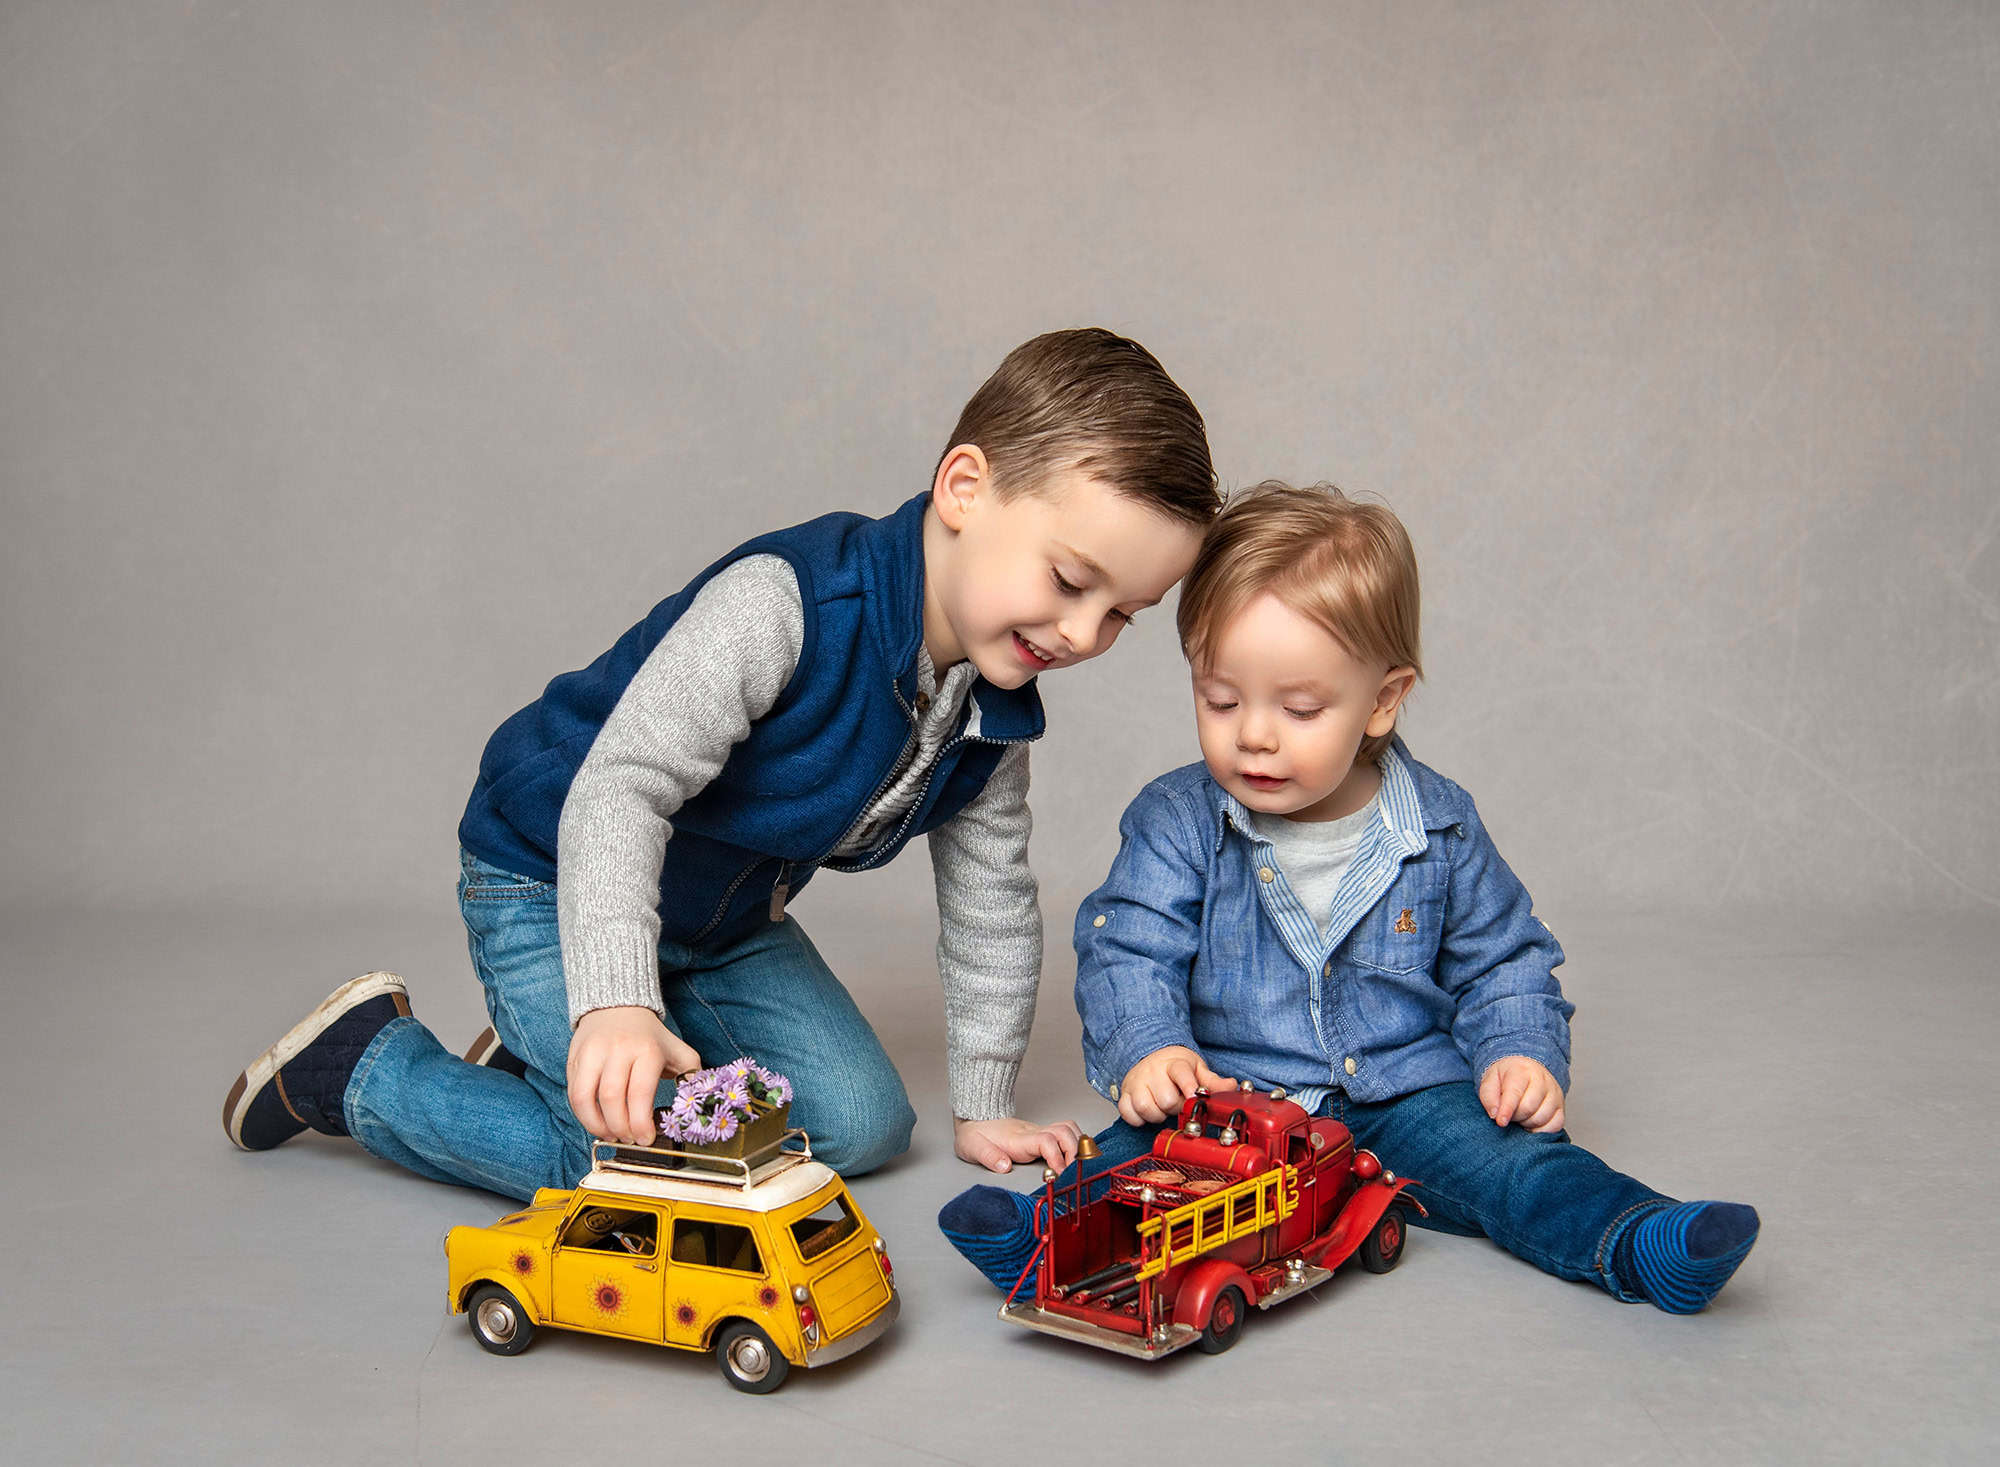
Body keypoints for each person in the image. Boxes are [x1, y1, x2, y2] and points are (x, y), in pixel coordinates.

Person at [222, 328, 1218, 1198]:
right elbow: (619, 789)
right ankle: (365, 1066)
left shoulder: (992, 714)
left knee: (860, 1132)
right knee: (648, 1173)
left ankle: (558, 1057)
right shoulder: (782, 607)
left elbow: (991, 905)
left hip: (719, 923)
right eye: (1069, 580)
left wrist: (985, 1102)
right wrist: (614, 997)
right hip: (552, 872)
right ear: (964, 489)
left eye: (1120, 615)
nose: (1083, 633)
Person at [939, 482, 1759, 1313]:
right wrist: (1149, 1046)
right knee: (1130, 1163)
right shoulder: (1177, 820)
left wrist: (1520, 1050)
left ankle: (1640, 1238)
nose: (1253, 733)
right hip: (1229, 1099)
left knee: (1517, 1161)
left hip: (1406, 1095)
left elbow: (1504, 955)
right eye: (1220, 698)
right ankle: (1040, 1243)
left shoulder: (1438, 825)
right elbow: (1128, 944)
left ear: (1383, 699)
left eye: (1299, 707)